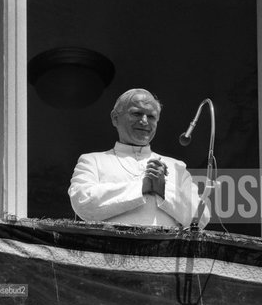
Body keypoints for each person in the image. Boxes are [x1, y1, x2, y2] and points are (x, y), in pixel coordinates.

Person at [69, 88, 210, 228]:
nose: (144, 121)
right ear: (115, 118)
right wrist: (142, 187)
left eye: (151, 116)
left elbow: (201, 219)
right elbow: (82, 203)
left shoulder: (176, 166)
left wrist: (163, 190)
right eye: (137, 113)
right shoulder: (93, 161)